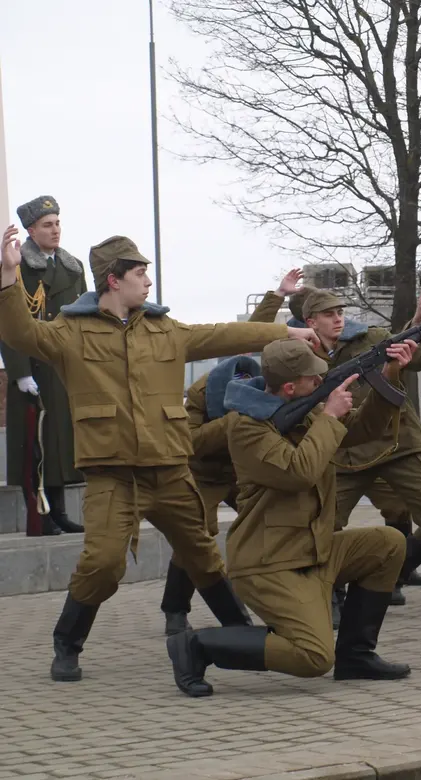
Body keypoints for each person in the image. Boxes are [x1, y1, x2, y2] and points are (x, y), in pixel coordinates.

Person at [0, 226, 317, 683]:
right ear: (113, 279)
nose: (148, 280)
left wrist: (286, 331)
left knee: (203, 554)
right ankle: (67, 643)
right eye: (140, 272)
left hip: (169, 470)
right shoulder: (70, 332)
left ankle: (237, 630)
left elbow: (223, 334)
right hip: (113, 476)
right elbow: (19, 332)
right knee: (103, 563)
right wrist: (9, 278)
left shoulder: (165, 328)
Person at [167, 338, 416, 696]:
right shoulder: (246, 426)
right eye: (312, 379)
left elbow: (363, 431)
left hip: (313, 549)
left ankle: (357, 656)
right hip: (270, 562)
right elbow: (298, 472)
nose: (320, 382)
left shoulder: (305, 408)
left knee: (389, 544)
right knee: (313, 657)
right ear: (289, 386)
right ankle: (197, 646)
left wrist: (390, 376)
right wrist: (330, 417)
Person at [301, 289, 421, 617]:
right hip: (346, 453)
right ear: (310, 322)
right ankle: (332, 596)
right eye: (328, 314)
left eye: (340, 312)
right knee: (324, 525)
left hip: (399, 442)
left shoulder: (369, 338)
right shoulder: (301, 354)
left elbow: (420, 347)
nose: (337, 318)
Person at [160, 269, 305, 636]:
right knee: (196, 534)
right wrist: (234, 421)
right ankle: (175, 610)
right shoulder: (201, 393)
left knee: (280, 520)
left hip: (243, 473)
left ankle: (296, 600)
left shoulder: (256, 380)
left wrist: (278, 295)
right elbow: (189, 442)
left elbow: (250, 334)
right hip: (203, 474)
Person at [0, 196, 86, 535]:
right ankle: (40, 516)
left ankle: (60, 510)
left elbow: (84, 317)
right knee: (33, 445)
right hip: (33, 370)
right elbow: (8, 324)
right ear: (31, 230)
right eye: (47, 225)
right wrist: (19, 372)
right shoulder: (17, 269)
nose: (55, 230)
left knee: (60, 444)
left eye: (58, 223)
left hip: (61, 368)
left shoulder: (73, 267)